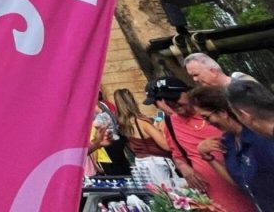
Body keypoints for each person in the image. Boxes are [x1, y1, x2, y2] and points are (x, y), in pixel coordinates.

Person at [145, 77, 255, 212]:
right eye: (167, 101)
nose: (173, 103)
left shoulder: (214, 112)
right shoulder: (170, 123)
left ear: (187, 92)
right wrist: (184, 167)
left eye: (175, 97)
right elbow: (177, 154)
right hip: (214, 190)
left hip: (244, 179)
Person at [191, 85, 274, 212]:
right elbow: (239, 181)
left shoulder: (258, 135)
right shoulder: (228, 141)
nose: (208, 123)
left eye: (207, 117)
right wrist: (208, 158)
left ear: (223, 112)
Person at [113, 88, 171, 159]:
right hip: (157, 161)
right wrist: (161, 129)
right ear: (133, 102)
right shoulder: (142, 123)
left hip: (142, 162)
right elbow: (166, 146)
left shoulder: (123, 125)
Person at [183, 53, 257, 87]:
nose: (194, 79)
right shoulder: (214, 96)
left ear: (213, 71)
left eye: (196, 74)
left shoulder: (242, 82)